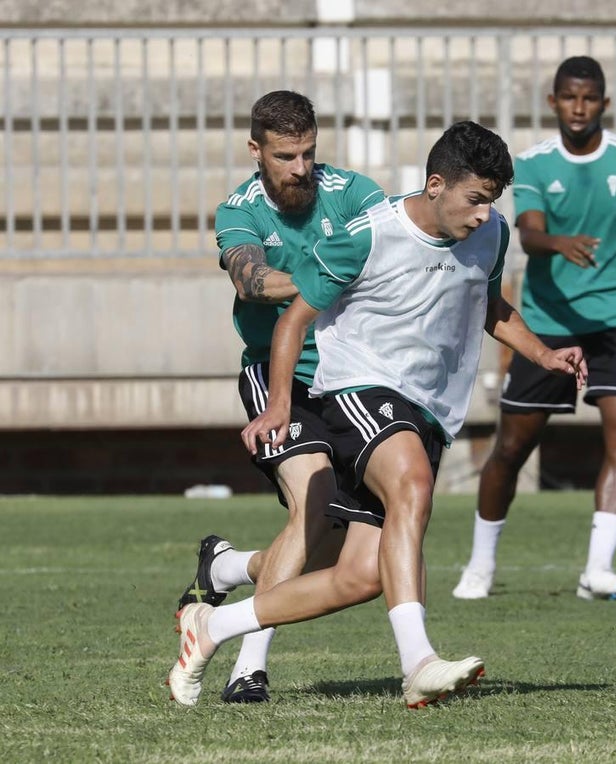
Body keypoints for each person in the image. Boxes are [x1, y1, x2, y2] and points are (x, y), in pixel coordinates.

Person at [166, 120, 588, 709]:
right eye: (473, 200)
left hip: (429, 407)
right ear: (436, 184)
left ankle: (212, 627)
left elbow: (488, 303)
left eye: (491, 202)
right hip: (359, 390)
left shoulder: (491, 233)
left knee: (360, 575)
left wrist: (544, 353)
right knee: (409, 484)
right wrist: (281, 404)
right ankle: (418, 663)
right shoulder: (368, 235)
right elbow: (292, 320)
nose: (481, 214)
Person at [453, 56, 616, 602]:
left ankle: (597, 570)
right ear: (553, 102)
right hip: (549, 326)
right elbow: (528, 235)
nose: (579, 108)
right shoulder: (531, 163)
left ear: (604, 102)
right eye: (569, 98)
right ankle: (480, 565)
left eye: (590, 98)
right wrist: (558, 243)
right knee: (512, 447)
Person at [173, 90, 384, 703]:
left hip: (349, 377)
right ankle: (249, 666)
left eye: (309, 153)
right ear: (256, 151)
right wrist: (329, 280)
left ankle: (226, 567)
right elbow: (253, 280)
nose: (301, 168)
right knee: (313, 503)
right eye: (286, 155)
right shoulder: (238, 211)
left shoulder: (356, 194)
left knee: (330, 550)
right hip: (274, 372)